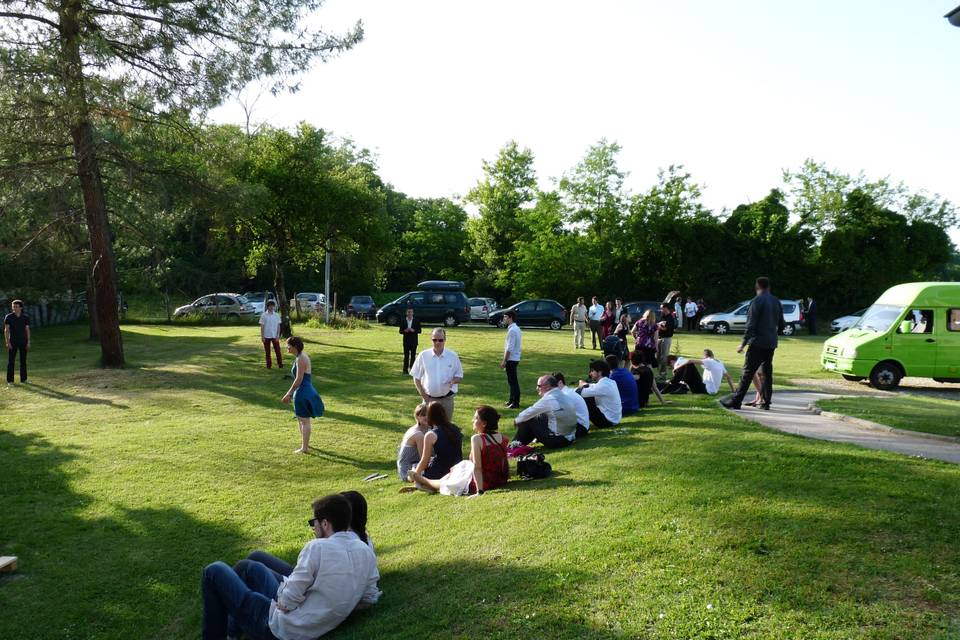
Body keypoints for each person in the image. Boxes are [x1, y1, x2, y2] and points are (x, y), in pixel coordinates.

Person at [201, 494, 380, 640]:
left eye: (314, 522)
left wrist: (286, 599)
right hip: (305, 619)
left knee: (213, 571)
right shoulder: (365, 551)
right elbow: (370, 596)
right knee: (249, 567)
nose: (313, 527)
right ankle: (231, 633)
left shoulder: (317, 547)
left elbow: (286, 602)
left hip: (282, 629)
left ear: (325, 524)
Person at [411, 405, 509, 495]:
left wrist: (480, 491)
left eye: (475, 418)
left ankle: (421, 480)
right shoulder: (503, 438)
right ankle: (421, 480)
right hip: (499, 479)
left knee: (447, 483)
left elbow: (477, 467)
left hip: (483, 482)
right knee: (451, 476)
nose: (472, 420)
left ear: (484, 423)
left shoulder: (477, 439)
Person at [721, 277, 784, 410]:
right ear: (769, 287)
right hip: (771, 342)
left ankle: (736, 401)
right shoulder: (776, 301)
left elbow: (751, 325)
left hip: (757, 342)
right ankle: (766, 402)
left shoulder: (756, 301)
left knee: (747, 372)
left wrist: (743, 344)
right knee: (767, 372)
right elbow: (782, 324)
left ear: (757, 287)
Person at [410, 328, 464, 420]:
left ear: (445, 340)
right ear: (431, 339)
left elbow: (459, 375)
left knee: (446, 428)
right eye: (434, 340)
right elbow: (416, 378)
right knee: (427, 427)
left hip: (447, 400)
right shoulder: (423, 355)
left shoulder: (452, 356)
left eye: (440, 340)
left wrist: (453, 381)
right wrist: (424, 397)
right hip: (428, 399)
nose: (437, 342)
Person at [282, 337, 324, 454]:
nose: (287, 348)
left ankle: (304, 448)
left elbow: (299, 379)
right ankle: (305, 444)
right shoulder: (302, 356)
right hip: (306, 390)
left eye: (288, 345)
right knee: (302, 420)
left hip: (303, 392)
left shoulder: (300, 359)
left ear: (294, 346)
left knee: (304, 421)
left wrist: (288, 393)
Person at [511, 375, 577, 449]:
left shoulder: (549, 399)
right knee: (539, 416)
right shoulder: (563, 395)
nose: (537, 388)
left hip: (558, 440)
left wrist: (516, 420)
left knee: (530, 419)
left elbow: (529, 412)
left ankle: (513, 446)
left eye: (539, 386)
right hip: (570, 437)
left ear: (548, 386)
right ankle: (517, 444)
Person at [409, 401, 463, 485]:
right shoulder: (456, 428)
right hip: (458, 469)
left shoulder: (431, 435)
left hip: (440, 471)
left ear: (430, 416)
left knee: (417, 471)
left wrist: (415, 474)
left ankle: (421, 482)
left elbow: (424, 461)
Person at [661, 350, 735, 395]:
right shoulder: (719, 362)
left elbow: (690, 361)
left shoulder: (708, 361)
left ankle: (679, 386)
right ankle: (678, 385)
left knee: (689, 365)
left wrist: (676, 368)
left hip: (706, 389)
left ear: (706, 356)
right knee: (688, 366)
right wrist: (733, 390)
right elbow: (729, 377)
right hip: (712, 390)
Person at [576, 360, 622, 429]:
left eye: (592, 371)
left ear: (600, 372)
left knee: (583, 399)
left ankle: (579, 424)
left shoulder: (603, 385)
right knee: (587, 395)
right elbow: (593, 386)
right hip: (614, 419)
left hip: (607, 421)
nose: (590, 374)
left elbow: (579, 393)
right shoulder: (610, 382)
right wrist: (585, 385)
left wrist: (581, 385)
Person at [397, 404, 430, 481]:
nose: (427, 417)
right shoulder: (418, 434)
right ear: (417, 417)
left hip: (414, 463)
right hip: (408, 470)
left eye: (429, 415)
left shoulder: (425, 429)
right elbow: (424, 458)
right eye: (423, 415)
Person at [553, 372, 590, 438]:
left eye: (552, 385)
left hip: (580, 428)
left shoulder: (566, 395)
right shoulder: (567, 392)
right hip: (581, 426)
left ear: (560, 382)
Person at [4, 299, 30, 385]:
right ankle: (10, 381)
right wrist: (8, 342)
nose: (14, 308)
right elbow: (6, 330)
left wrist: (28, 342)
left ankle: (24, 379)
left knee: (23, 361)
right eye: (13, 307)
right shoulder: (9, 317)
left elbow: (27, 330)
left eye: (16, 306)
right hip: (13, 341)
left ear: (21, 307)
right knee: (11, 361)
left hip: (23, 341)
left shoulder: (25, 317)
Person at [500, 310, 522, 408]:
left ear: (510, 318)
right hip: (515, 358)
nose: (504, 319)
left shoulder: (512, 330)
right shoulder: (516, 328)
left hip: (512, 359)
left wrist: (504, 360)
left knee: (513, 382)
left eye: (505, 317)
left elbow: (509, 348)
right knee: (511, 381)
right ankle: (511, 400)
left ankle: (515, 402)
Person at [259, 300, 283, 370]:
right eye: (270, 306)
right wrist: (262, 336)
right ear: (268, 307)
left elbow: (278, 326)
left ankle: (280, 365)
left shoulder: (276, 315)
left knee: (278, 351)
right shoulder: (264, 315)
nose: (272, 307)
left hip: (274, 335)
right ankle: (268, 365)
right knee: (267, 352)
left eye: (273, 306)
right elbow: (262, 326)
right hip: (266, 336)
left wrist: (278, 335)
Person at [399, 307, 422, 375]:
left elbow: (420, 331)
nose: (409, 313)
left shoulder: (416, 321)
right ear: (406, 313)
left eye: (411, 312)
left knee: (413, 356)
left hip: (414, 341)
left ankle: (412, 370)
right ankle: (405, 370)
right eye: (408, 312)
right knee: (406, 356)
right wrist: (405, 331)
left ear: (413, 313)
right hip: (406, 341)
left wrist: (413, 330)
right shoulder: (403, 321)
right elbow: (400, 331)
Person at [657, 303, 676, 376]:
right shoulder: (662, 316)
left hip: (666, 338)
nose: (661, 310)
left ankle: (663, 373)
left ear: (666, 308)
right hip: (660, 338)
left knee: (664, 356)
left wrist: (659, 326)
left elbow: (666, 329)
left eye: (662, 308)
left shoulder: (670, 318)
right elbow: (661, 324)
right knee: (658, 356)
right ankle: (660, 373)